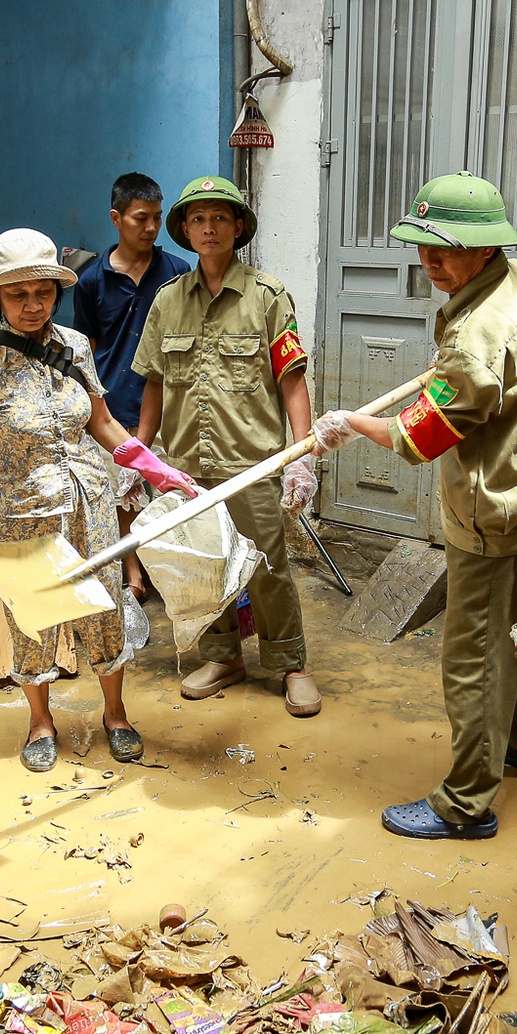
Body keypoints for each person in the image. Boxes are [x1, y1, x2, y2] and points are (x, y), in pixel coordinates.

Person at [312, 172, 517, 840]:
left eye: (445, 249)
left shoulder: (478, 338)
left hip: (490, 509)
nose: (429, 262)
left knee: (475, 658)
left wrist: (348, 422)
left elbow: (415, 437)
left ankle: (465, 802)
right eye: (422, 247)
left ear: (485, 248)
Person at [0, 229, 197, 772]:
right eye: (17, 295)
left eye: (42, 292)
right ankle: (40, 721)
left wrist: (161, 473)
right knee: (35, 618)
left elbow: (105, 425)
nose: (32, 305)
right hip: (23, 513)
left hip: (90, 503)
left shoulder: (75, 346)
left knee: (104, 609)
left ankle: (115, 713)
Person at [133, 177, 322, 718]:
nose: (208, 228)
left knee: (267, 568)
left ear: (238, 228)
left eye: (220, 218)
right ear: (185, 230)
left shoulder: (267, 296)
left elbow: (292, 379)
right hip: (188, 465)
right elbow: (153, 382)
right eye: (197, 219)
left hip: (253, 462)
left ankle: (290, 664)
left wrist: (302, 454)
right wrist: (137, 455)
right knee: (205, 565)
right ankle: (223, 657)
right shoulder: (168, 302)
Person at [72, 172, 189, 601]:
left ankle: (171, 572)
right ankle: (133, 574)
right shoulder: (90, 281)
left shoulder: (178, 272)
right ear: (116, 218)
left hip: (170, 405)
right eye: (141, 218)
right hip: (116, 405)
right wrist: (92, 402)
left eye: (157, 218)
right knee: (124, 493)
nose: (151, 228)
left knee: (169, 490)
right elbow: (87, 348)